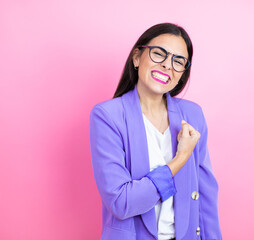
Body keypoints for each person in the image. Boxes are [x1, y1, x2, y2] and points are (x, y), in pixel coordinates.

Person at [89, 23, 222, 240]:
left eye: (178, 61)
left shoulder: (193, 115)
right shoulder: (108, 116)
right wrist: (179, 159)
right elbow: (122, 202)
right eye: (159, 54)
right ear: (136, 58)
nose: (168, 66)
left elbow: (206, 194)